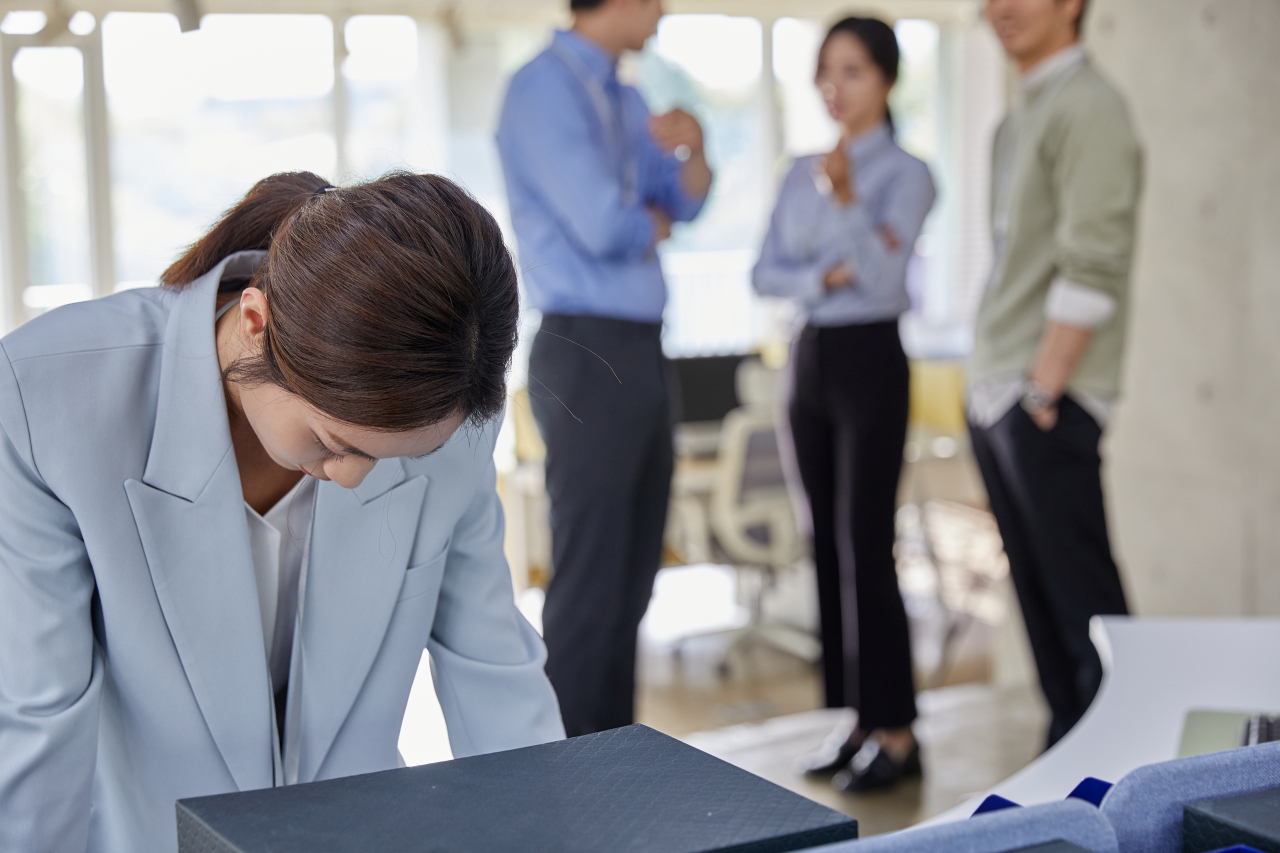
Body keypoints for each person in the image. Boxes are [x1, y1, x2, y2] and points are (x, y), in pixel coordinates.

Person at [0, 171, 565, 853]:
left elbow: (495, 674)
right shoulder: (44, 397)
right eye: (336, 442)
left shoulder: (446, 410)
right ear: (254, 324)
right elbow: (38, 721)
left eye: (391, 457)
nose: (354, 478)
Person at [495, 0, 711, 737]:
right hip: (586, 347)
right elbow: (603, 223)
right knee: (591, 582)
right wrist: (648, 218)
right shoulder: (542, 89)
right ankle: (570, 777)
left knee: (633, 577)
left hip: (643, 345)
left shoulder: (625, 93)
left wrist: (696, 152)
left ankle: (611, 761)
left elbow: (682, 198)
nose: (663, 9)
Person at [753, 17, 936, 792]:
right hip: (810, 358)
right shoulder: (797, 170)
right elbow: (766, 273)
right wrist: (822, 275)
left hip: (871, 355)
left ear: (886, 81)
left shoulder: (909, 174)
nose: (835, 86)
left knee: (868, 541)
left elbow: (888, 281)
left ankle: (898, 731)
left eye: (853, 71)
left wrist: (847, 200)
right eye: (826, 71)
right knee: (824, 542)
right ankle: (857, 719)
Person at [969, 0, 1142, 747]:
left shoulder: (1090, 105)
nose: (998, 8)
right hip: (1000, 391)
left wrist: (1042, 388)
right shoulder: (1019, 115)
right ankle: (1072, 763)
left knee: (1085, 612)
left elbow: (1094, 258)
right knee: (1041, 608)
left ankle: (1126, 776)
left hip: (1043, 397)